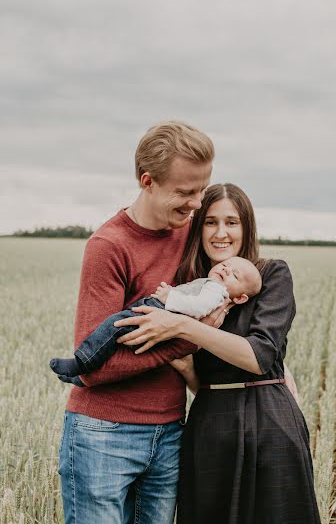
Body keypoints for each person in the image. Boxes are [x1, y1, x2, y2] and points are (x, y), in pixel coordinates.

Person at [115, 183, 321, 524]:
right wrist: (184, 360)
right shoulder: (188, 289)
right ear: (198, 228)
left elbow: (259, 357)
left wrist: (181, 328)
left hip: (270, 423)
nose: (220, 233)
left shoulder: (270, 274)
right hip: (211, 423)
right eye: (210, 222)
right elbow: (203, 380)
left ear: (247, 228)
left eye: (232, 222)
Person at [57, 121, 215, 524]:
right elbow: (93, 369)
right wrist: (187, 339)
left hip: (171, 430)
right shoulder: (109, 247)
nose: (197, 203)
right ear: (148, 181)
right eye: (184, 192)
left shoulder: (193, 231)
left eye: (202, 189)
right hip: (102, 435)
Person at [50, 256, 262, 383]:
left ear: (241, 297)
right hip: (164, 315)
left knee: (113, 326)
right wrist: (174, 292)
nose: (226, 269)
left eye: (235, 275)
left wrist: (170, 297)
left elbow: (197, 308)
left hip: (160, 313)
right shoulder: (212, 285)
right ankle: (83, 378)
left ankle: (82, 360)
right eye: (226, 265)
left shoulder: (217, 291)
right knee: (123, 351)